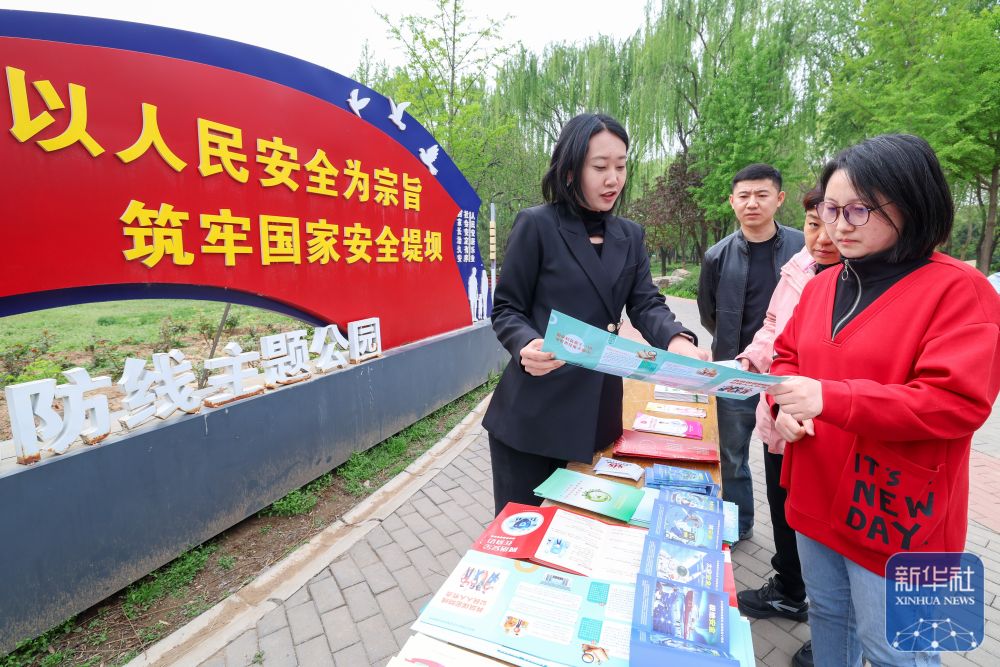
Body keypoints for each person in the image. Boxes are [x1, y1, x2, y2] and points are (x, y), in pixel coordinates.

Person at [767, 134, 1000, 667]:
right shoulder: (823, 285)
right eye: (830, 209)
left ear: (913, 203)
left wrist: (828, 398)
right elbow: (787, 357)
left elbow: (955, 402)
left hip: (902, 513)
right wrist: (785, 407)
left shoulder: (961, 290)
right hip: (816, 489)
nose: (839, 225)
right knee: (829, 618)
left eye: (859, 209)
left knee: (901, 652)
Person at [483, 113, 709, 515]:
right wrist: (525, 344)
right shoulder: (537, 226)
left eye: (621, 166)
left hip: (597, 413)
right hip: (533, 414)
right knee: (525, 532)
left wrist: (678, 340)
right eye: (600, 167)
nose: (613, 179)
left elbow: (645, 302)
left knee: (582, 529)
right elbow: (507, 308)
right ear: (571, 171)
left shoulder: (630, 235)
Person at [732, 185, 838, 667]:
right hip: (781, 419)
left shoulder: (863, 279)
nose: (824, 237)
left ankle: (838, 632)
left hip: (829, 431)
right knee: (784, 511)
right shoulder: (798, 268)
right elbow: (775, 329)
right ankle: (790, 591)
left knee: (826, 535)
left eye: (836, 223)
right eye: (815, 224)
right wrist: (749, 361)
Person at [697, 164, 804, 540]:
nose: (752, 203)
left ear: (780, 198)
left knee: (788, 457)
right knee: (731, 455)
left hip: (789, 374)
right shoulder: (716, 255)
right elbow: (708, 314)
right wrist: (736, 349)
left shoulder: (803, 249)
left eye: (761, 194)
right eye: (743, 196)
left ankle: (795, 540)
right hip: (736, 373)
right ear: (732, 202)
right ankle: (739, 525)